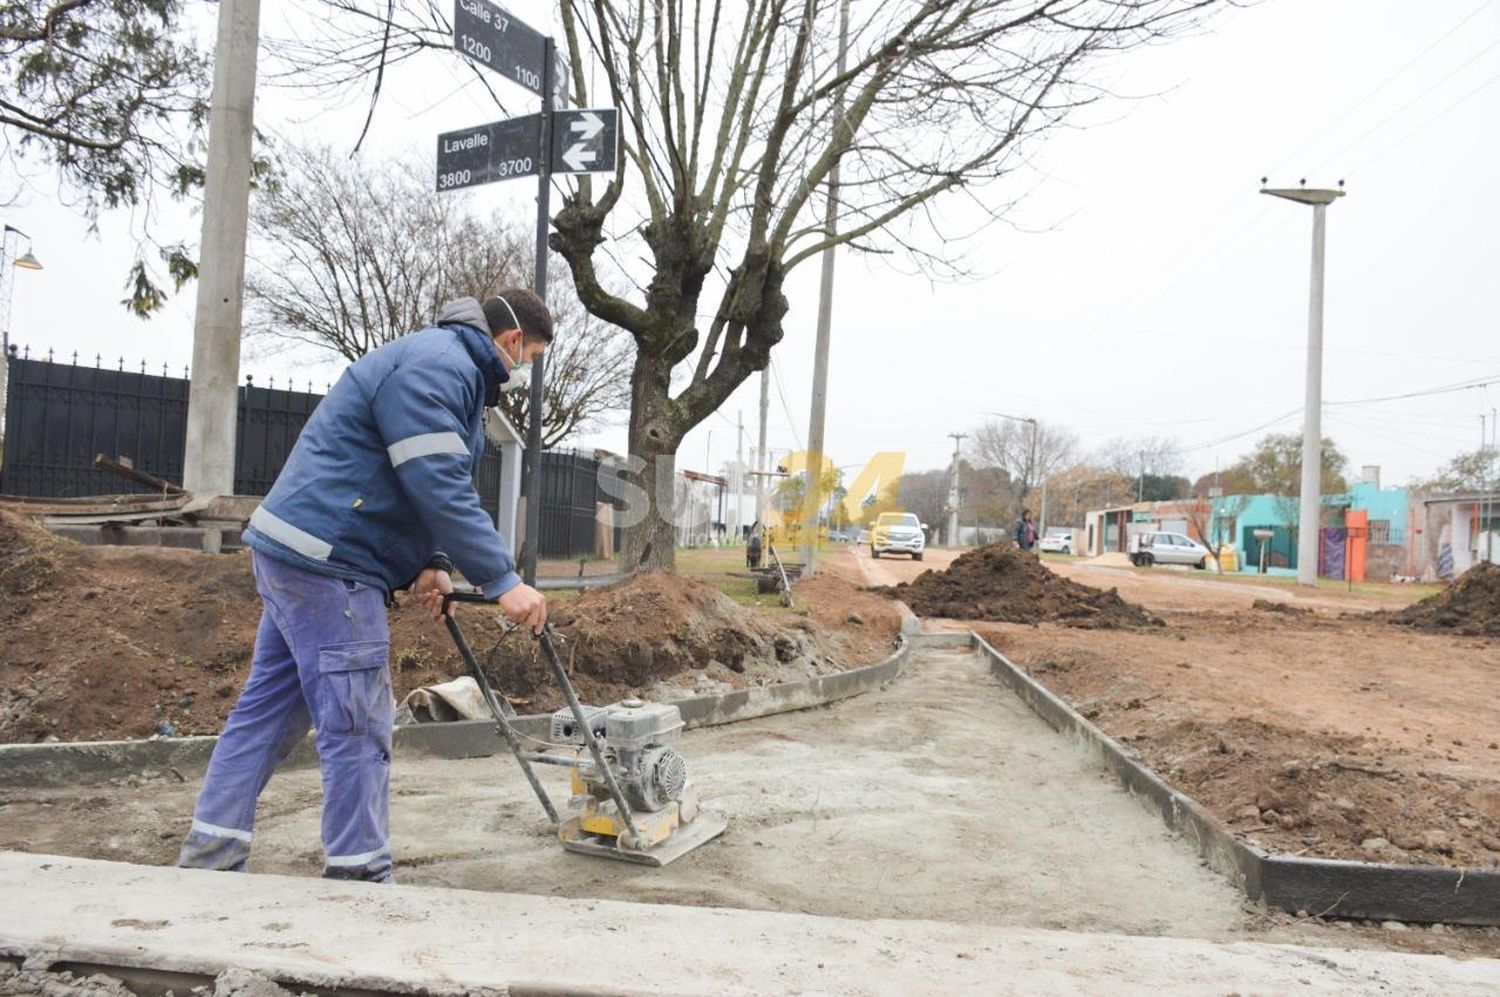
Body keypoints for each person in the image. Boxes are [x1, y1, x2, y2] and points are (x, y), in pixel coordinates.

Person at [177, 290, 553, 883]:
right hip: (333, 564)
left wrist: (429, 561)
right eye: (528, 356)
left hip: (298, 554)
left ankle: (210, 856)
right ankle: (359, 878)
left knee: (270, 713)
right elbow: (437, 482)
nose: (522, 369)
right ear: (511, 341)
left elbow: (407, 477)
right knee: (356, 723)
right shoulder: (445, 366)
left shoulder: (436, 360)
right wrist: (502, 579)